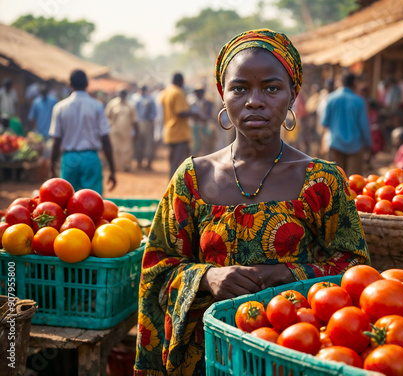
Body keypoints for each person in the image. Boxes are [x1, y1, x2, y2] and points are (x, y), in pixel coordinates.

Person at [134, 28, 370, 376]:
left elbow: (355, 268)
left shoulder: (323, 181)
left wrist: (288, 274)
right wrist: (207, 276)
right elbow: (158, 269)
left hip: (292, 355)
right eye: (240, 88)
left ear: (292, 96)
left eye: (271, 88)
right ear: (222, 94)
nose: (254, 100)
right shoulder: (191, 179)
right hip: (207, 358)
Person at [49, 69, 116, 195]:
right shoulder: (97, 106)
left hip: (69, 158)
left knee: (66, 200)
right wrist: (112, 169)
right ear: (87, 84)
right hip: (90, 158)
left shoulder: (60, 108)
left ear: (70, 84)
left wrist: (52, 166)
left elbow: (56, 141)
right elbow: (105, 138)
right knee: (92, 201)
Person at [321, 72, 372, 176]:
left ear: (340, 83)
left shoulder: (331, 98)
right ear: (355, 83)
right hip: (355, 147)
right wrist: (368, 144)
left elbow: (324, 122)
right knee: (353, 183)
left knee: (336, 180)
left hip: (335, 144)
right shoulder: (359, 101)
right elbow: (364, 126)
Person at [158, 73, 197, 178]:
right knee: (180, 162)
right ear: (181, 81)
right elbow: (181, 112)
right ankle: (175, 186)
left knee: (173, 161)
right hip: (180, 132)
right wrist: (195, 113)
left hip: (169, 131)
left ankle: (173, 184)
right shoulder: (177, 93)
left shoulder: (166, 92)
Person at [105, 88, 138, 172]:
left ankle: (126, 166)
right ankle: (116, 166)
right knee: (115, 149)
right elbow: (107, 117)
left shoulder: (130, 106)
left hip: (126, 132)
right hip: (115, 131)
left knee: (127, 150)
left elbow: (134, 120)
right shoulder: (112, 104)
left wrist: (136, 132)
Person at [133, 85, 157, 170]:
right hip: (137, 124)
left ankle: (148, 164)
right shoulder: (135, 99)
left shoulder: (150, 99)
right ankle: (139, 163)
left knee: (148, 145)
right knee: (138, 144)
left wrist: (152, 125)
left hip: (147, 123)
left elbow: (153, 114)